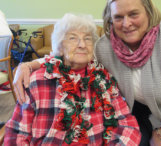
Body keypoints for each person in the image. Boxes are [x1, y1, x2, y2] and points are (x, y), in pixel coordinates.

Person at [13, 0, 161, 145]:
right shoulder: (104, 46)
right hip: (134, 106)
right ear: (110, 20)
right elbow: (69, 54)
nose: (126, 23)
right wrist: (30, 65)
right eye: (118, 17)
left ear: (149, 13)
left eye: (134, 14)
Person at [4, 13, 141, 145]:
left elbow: (128, 124)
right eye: (73, 38)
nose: (82, 44)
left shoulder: (104, 79)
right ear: (60, 47)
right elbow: (17, 133)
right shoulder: (38, 81)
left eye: (87, 38)